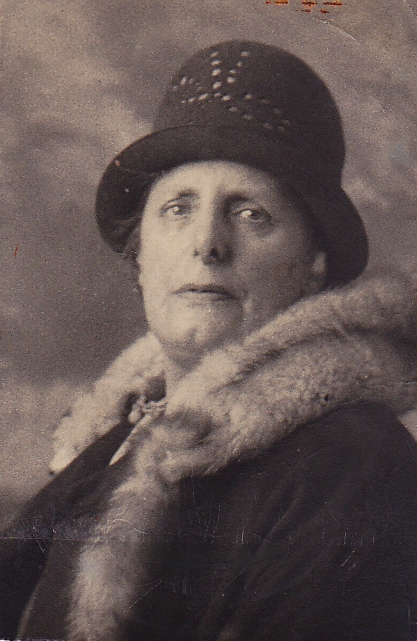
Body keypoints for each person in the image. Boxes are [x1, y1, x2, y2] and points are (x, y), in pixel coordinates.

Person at [2, 40, 417, 641]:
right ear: (140, 255)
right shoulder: (114, 445)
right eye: (178, 209)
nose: (207, 244)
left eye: (251, 214)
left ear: (315, 264)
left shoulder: (352, 466)